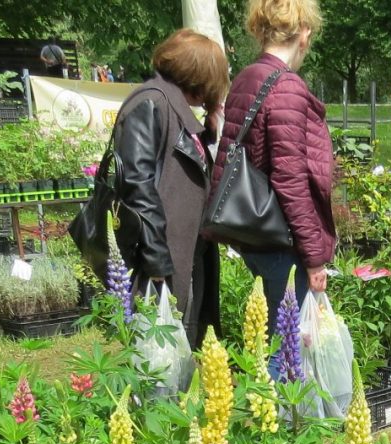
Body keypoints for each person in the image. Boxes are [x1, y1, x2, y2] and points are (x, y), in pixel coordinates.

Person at [213, 0, 335, 317]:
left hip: (253, 231)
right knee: (288, 349)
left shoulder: (246, 77)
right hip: (282, 242)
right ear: (304, 32)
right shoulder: (288, 86)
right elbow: (289, 179)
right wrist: (314, 257)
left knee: (269, 340)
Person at [111, 29, 228, 347]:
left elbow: (182, 170)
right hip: (163, 259)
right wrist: (157, 262)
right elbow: (137, 184)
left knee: (182, 349)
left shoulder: (171, 105)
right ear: (199, 75)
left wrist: (210, 134)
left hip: (186, 254)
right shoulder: (151, 103)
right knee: (159, 356)